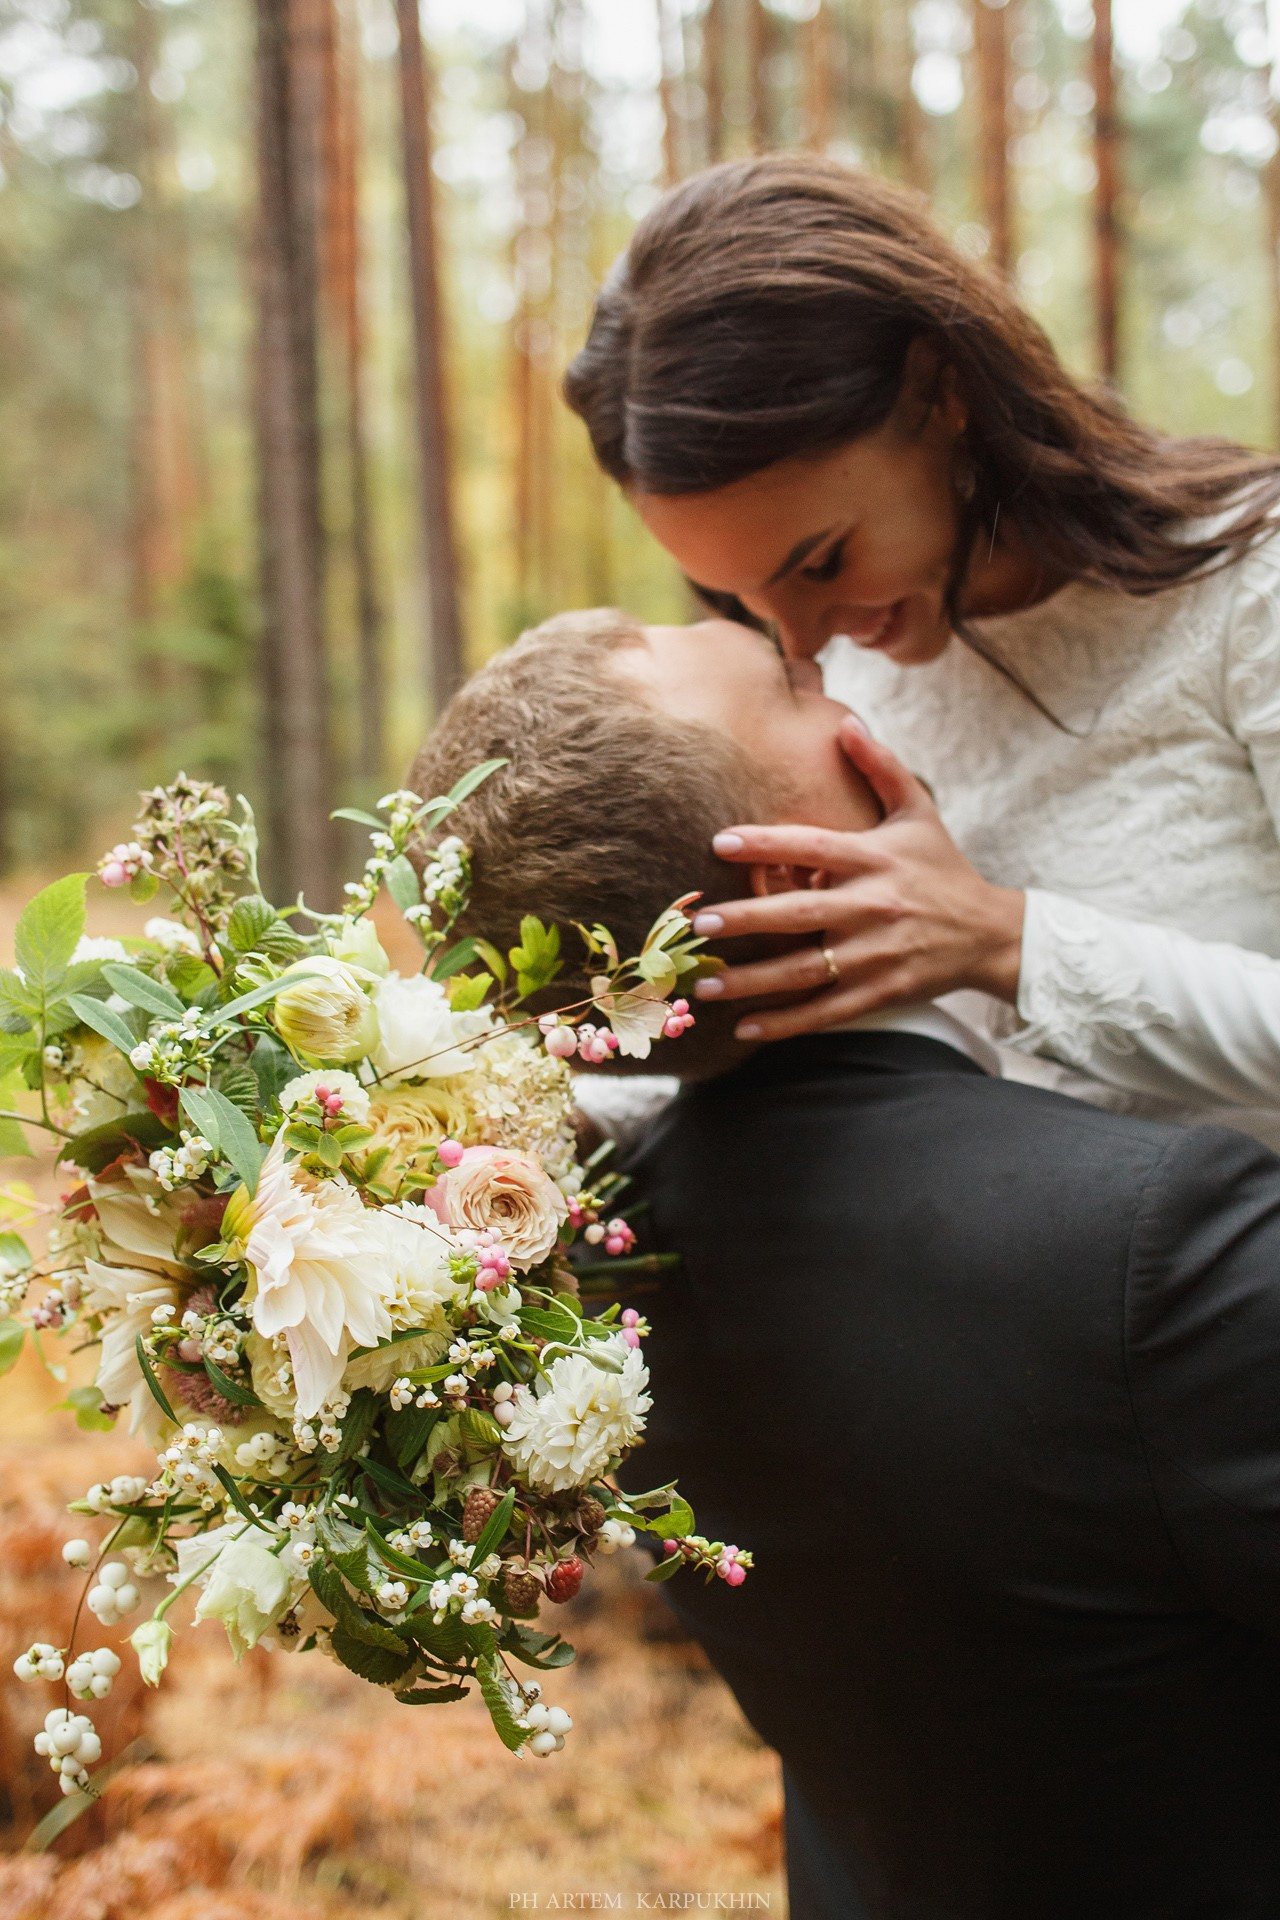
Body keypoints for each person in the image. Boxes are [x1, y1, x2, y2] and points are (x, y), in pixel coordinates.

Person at [411, 609, 1280, 1920]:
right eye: (799, 683)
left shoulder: (583, 1268)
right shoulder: (1154, 1240)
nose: (841, 673)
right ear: (785, 878)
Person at [563, 153, 1280, 1150]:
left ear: (937, 388)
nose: (798, 644)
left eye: (820, 559)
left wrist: (1001, 945)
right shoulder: (821, 699)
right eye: (737, 595)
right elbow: (789, 1028)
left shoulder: (1250, 587)